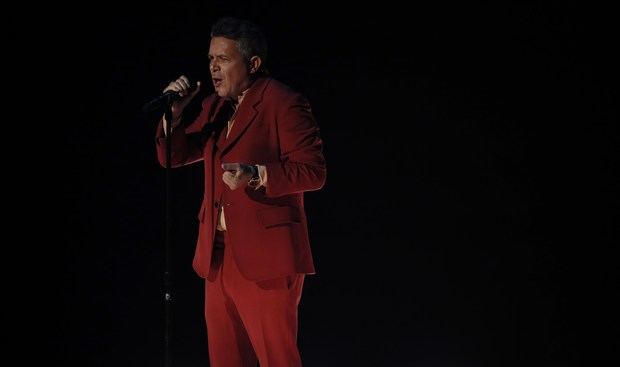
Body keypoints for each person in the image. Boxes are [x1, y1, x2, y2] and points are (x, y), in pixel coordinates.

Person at [154, 16, 326, 367]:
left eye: (223, 59)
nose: (213, 68)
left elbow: (313, 171)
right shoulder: (215, 108)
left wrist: (257, 174)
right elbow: (176, 156)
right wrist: (173, 117)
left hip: (266, 258)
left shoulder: (284, 102)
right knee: (226, 359)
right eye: (210, 59)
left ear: (253, 63)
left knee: (277, 359)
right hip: (217, 257)